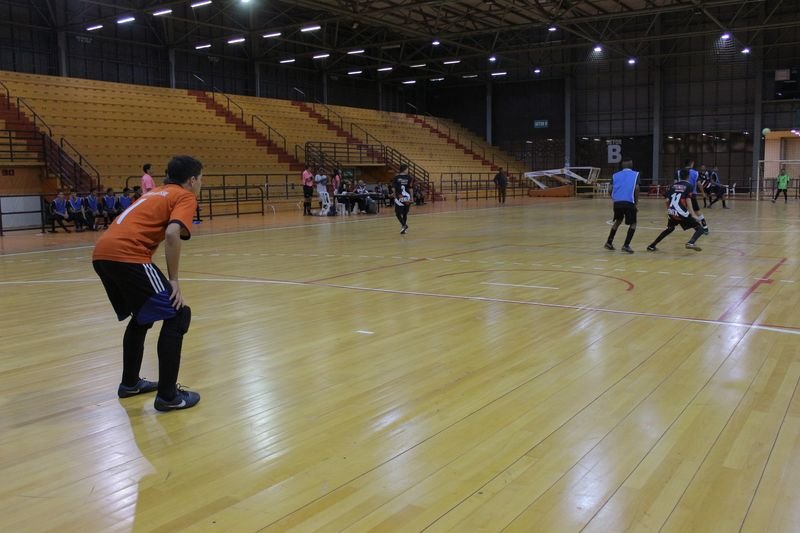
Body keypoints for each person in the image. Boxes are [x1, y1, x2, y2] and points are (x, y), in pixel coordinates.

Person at [92, 155, 203, 412]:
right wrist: (174, 280)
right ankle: (168, 396)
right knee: (178, 314)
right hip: (127, 256)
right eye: (201, 179)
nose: (200, 184)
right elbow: (173, 233)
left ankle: (130, 384)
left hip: (102, 254)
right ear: (192, 179)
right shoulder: (184, 195)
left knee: (142, 317)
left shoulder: (155, 192)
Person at [647, 169, 706, 252]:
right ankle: (691, 242)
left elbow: (667, 200)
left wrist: (668, 211)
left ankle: (652, 245)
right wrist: (692, 214)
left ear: (679, 176)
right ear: (688, 176)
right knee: (700, 229)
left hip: (672, 211)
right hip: (681, 212)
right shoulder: (689, 186)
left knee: (670, 229)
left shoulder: (673, 185)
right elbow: (688, 200)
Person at [604, 159, 639, 253]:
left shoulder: (615, 175)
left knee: (618, 221)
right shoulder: (635, 174)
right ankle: (626, 245)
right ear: (631, 165)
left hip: (617, 202)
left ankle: (609, 242)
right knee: (633, 223)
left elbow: (610, 189)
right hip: (629, 202)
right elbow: (636, 189)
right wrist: (635, 203)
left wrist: (615, 198)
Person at [392, 164, 414, 234]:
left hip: (400, 197)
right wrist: (412, 197)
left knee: (398, 213)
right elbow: (411, 189)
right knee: (405, 213)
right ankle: (403, 227)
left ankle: (404, 225)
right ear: (404, 169)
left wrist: (395, 197)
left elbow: (393, 189)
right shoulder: (409, 177)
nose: (408, 170)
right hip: (407, 197)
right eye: (407, 169)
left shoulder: (396, 178)